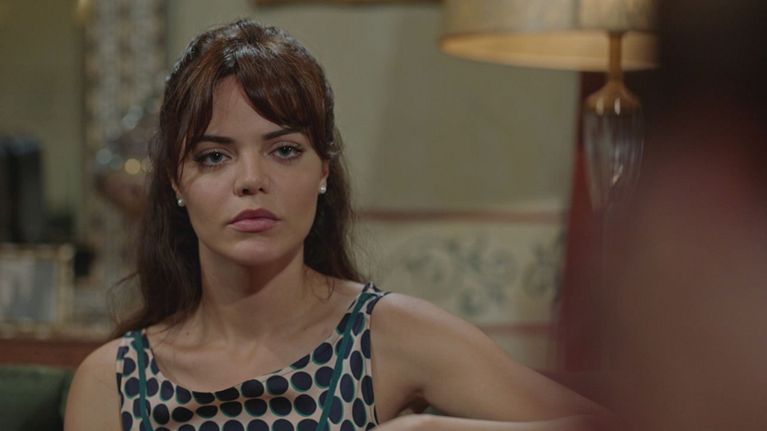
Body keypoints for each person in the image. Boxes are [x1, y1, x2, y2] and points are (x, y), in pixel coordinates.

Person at [65, 19, 604, 431]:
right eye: (213, 157)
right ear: (176, 183)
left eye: (284, 150)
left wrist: (432, 430)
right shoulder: (115, 381)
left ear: (323, 169)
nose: (251, 180)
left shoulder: (385, 334)